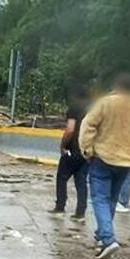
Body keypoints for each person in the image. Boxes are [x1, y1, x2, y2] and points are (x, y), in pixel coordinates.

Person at [78, 74, 130, 259]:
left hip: (102, 158)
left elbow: (87, 125)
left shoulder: (105, 103)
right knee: (111, 200)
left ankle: (108, 239)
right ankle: (101, 238)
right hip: (126, 162)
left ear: (116, 87)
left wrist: (87, 150)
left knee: (99, 198)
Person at [50, 87, 89, 221]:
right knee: (81, 180)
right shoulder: (93, 109)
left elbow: (70, 129)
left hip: (73, 149)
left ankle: (60, 207)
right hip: (87, 151)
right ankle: (80, 212)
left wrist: (63, 145)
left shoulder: (74, 108)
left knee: (62, 177)